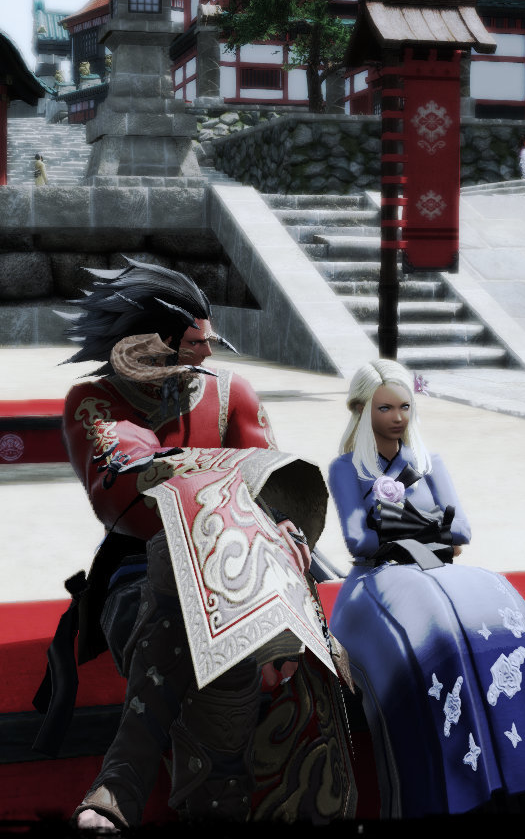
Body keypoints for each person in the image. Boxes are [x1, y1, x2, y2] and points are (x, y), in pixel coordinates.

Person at [36, 258, 353, 829]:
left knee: (239, 630)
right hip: (138, 572)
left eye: (208, 340)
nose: (207, 353)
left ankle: (120, 784)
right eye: (192, 342)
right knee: (187, 600)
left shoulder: (233, 395)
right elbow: (127, 496)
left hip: (251, 564)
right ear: (146, 342)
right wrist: (215, 482)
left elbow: (272, 480)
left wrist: (279, 525)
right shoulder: (94, 401)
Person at [326, 360, 525, 819]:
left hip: (438, 568)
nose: (397, 418)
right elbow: (359, 541)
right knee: (435, 622)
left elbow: (462, 531)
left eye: (404, 406)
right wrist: (429, 527)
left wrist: (396, 523)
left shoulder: (429, 463)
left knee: (496, 595)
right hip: (377, 579)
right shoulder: (346, 469)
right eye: (384, 408)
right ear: (362, 410)